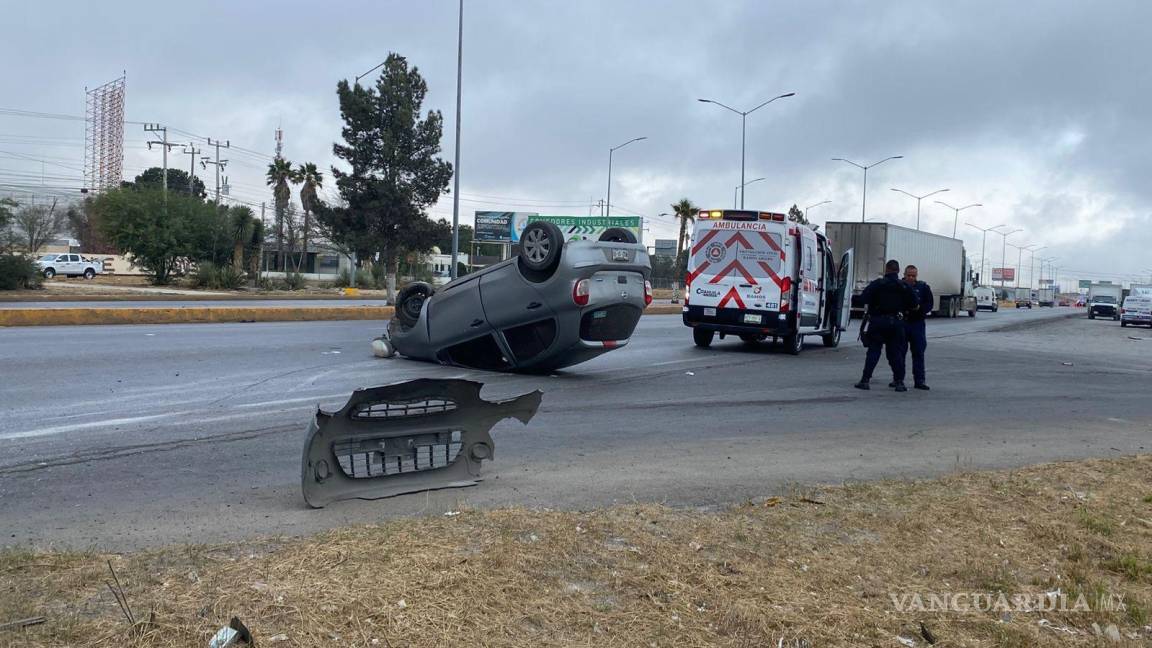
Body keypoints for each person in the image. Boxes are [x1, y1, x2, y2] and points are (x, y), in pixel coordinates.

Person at [855, 259, 918, 391]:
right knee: (896, 353)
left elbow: (862, 299)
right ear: (898, 271)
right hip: (896, 323)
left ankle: (865, 380)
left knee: (874, 351)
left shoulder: (877, 284)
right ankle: (899, 382)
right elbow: (914, 304)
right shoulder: (904, 286)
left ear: (886, 269)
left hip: (878, 322)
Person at [900, 265, 934, 390]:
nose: (910, 278)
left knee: (919, 353)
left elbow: (929, 304)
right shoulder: (899, 286)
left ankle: (919, 380)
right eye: (908, 275)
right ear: (904, 274)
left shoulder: (923, 287)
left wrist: (919, 310)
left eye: (913, 276)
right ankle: (898, 379)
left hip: (917, 324)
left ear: (916, 276)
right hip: (903, 323)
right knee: (899, 353)